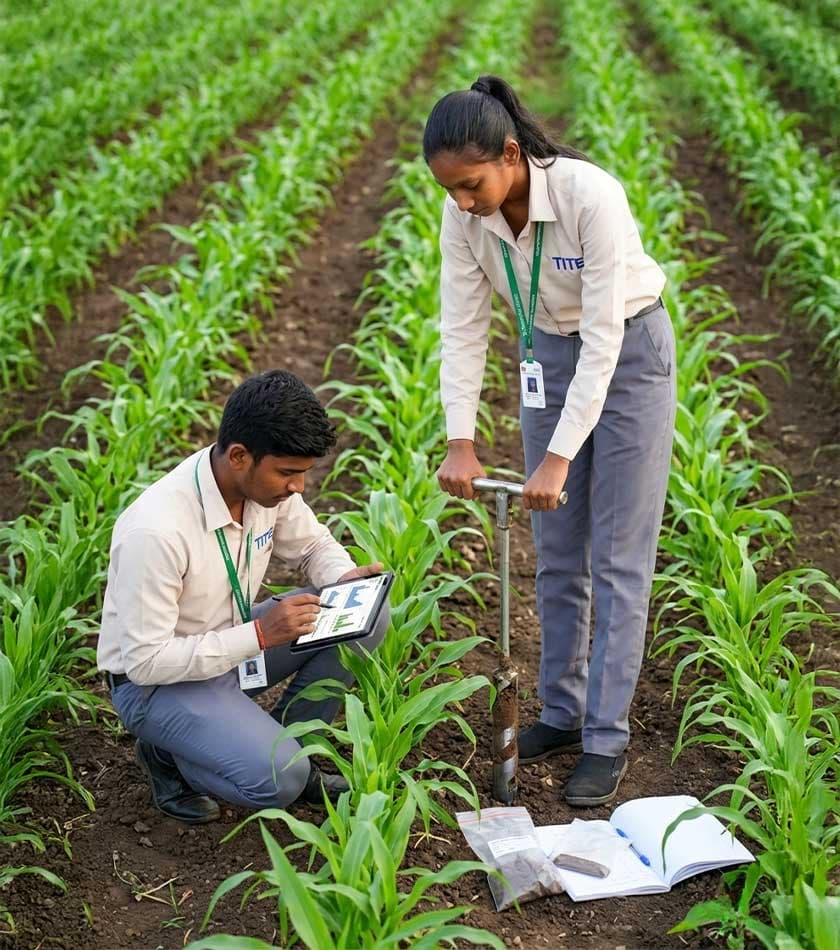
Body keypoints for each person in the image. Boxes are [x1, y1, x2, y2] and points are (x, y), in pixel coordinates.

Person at [424, 76, 676, 806]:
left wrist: (559, 457)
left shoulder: (590, 196)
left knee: (619, 557)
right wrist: (460, 439)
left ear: (510, 154)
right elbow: (463, 326)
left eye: (472, 185)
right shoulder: (461, 215)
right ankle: (562, 715)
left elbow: (602, 338)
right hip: (546, 358)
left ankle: (606, 739)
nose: (464, 202)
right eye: (451, 191)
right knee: (558, 557)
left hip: (628, 358)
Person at [98, 370, 388, 823]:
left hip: (230, 644)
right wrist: (258, 634)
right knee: (280, 783)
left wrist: (344, 577)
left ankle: (281, 745)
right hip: (157, 684)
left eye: (304, 473)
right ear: (239, 456)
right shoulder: (155, 531)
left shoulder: (262, 489)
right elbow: (145, 662)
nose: (298, 487)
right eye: (289, 473)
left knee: (368, 615)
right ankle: (168, 756)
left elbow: (313, 545)